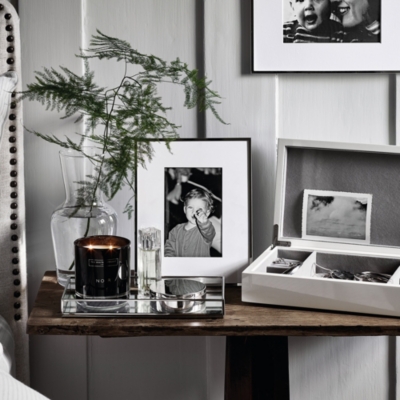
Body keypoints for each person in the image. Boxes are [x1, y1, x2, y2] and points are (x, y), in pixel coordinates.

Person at [164, 188, 216, 257]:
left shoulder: (205, 231)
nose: (194, 212)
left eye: (199, 209)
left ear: (207, 213)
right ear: (185, 209)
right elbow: (169, 248)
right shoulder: (176, 230)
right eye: (190, 207)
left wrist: (204, 222)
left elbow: (210, 233)